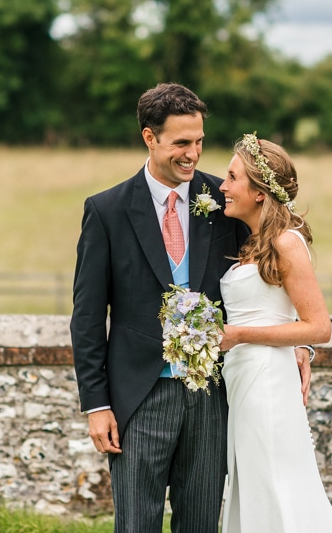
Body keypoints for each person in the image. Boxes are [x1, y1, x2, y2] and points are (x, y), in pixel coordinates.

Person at [69, 84, 311, 532]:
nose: (194, 154)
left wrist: (301, 343)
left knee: (200, 523)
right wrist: (96, 404)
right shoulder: (107, 211)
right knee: (136, 524)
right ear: (150, 137)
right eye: (182, 143)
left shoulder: (226, 200)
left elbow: (274, 272)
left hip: (212, 395)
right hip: (139, 397)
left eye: (199, 141)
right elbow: (86, 316)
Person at [218, 133, 332, 533]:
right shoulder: (256, 241)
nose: (223, 186)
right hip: (244, 379)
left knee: (276, 483)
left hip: (267, 382)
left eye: (232, 177)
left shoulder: (287, 243)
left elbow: (319, 326)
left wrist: (239, 334)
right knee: (253, 484)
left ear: (258, 192)